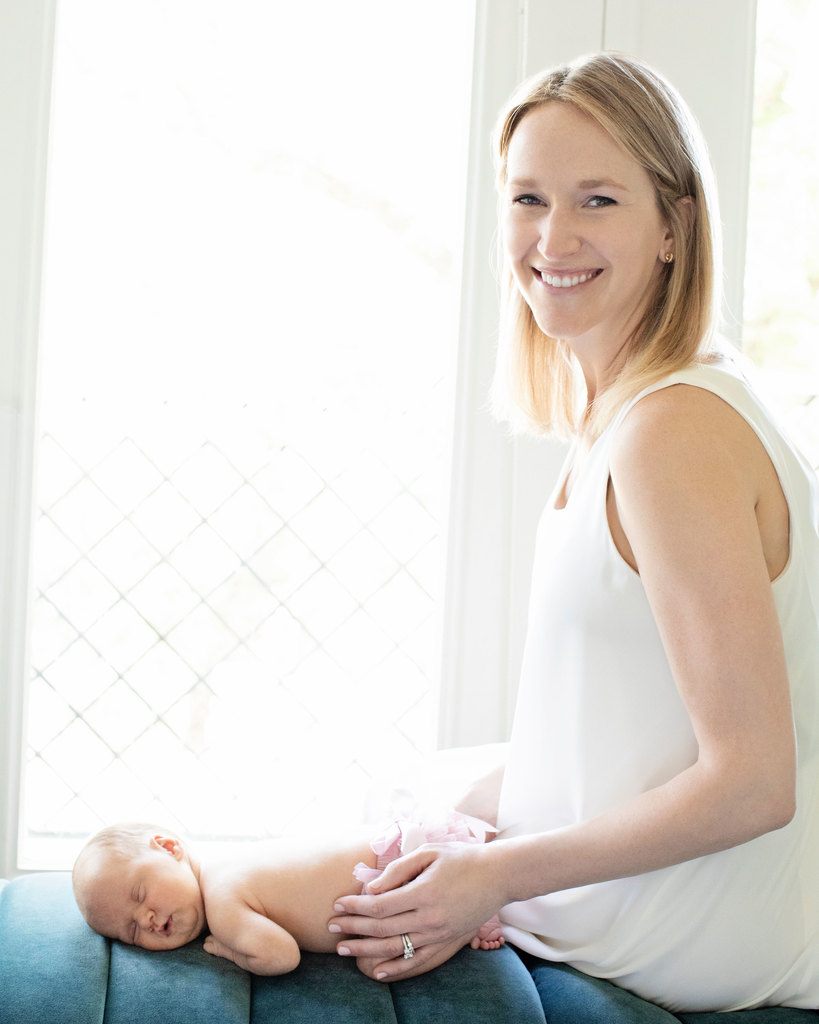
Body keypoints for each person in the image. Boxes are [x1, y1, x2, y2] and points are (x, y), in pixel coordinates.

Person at [324, 52, 819, 1017]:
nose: (552, 237)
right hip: (662, 907)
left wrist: (492, 872)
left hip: (695, 940)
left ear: (674, 225)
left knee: (282, 893)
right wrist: (452, 819)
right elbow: (615, 735)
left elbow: (755, 783)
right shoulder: (626, 415)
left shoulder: (672, 432)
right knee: (386, 812)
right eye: (527, 198)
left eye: (597, 200)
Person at [71, 812, 504, 975]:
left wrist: (231, 951)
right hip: (403, 843)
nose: (146, 918)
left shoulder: (223, 901)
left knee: (376, 964)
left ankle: (471, 916)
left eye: (140, 893)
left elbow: (281, 957)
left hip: (400, 875)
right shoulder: (232, 863)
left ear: (170, 848)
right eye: (131, 931)